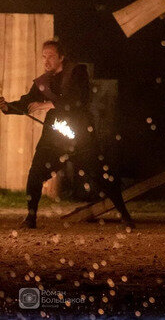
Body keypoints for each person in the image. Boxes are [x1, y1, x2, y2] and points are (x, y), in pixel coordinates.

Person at [0, 40, 134, 229]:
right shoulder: (42, 82)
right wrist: (7, 107)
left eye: (51, 56)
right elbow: (27, 103)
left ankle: (125, 216)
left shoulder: (77, 73)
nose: (46, 61)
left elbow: (78, 100)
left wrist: (49, 105)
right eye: (44, 57)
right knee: (36, 172)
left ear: (61, 57)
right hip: (54, 138)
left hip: (80, 135)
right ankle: (31, 217)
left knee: (102, 175)